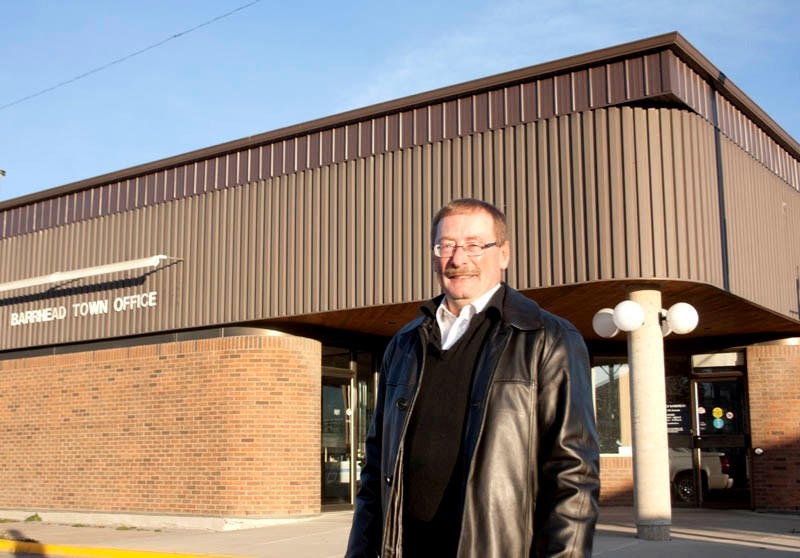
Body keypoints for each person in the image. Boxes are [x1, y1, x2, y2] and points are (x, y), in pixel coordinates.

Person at [345, 198, 600, 558]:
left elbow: (573, 477)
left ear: (504, 254)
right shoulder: (404, 345)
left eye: (474, 245)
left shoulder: (548, 338)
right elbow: (375, 471)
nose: (458, 259)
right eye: (446, 245)